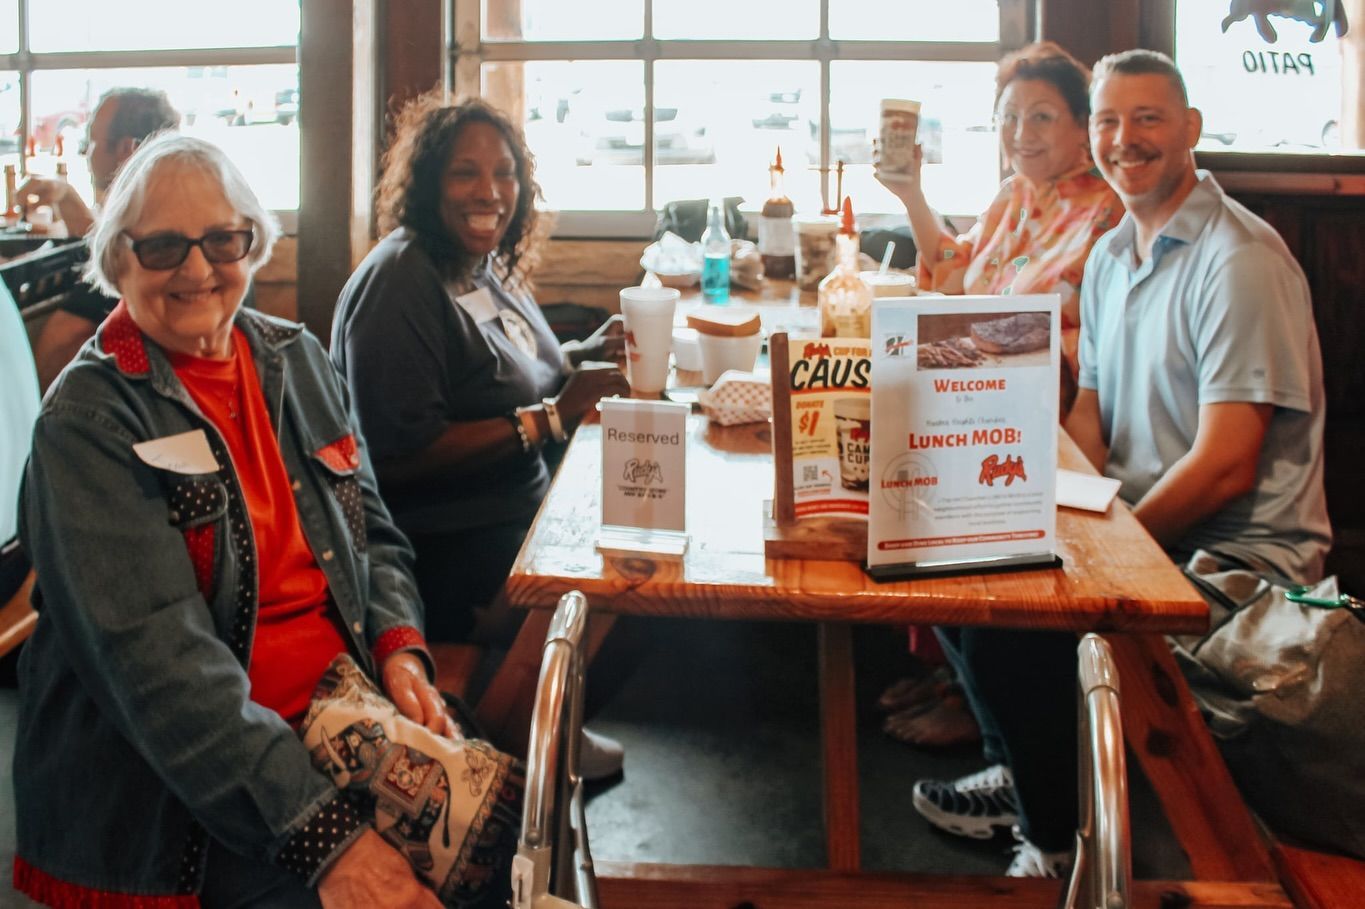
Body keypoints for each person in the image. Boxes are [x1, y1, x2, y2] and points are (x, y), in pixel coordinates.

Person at [12, 134, 475, 907]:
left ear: (252, 243)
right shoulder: (87, 424)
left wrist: (399, 653)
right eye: (162, 247)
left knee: (516, 859)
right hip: (182, 811)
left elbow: (376, 539)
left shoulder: (295, 358)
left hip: (343, 733)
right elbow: (164, 680)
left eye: (222, 239)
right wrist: (335, 846)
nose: (196, 270)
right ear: (116, 261)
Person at [909, 49, 1331, 878]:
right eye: (1108, 119)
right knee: (958, 565)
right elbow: (1090, 417)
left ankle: (1060, 844)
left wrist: (1101, 552)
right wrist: (1038, 513)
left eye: (1146, 118)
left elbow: (1224, 465)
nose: (1122, 138)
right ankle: (1025, 775)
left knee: (1016, 638)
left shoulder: (1237, 259)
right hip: (1140, 529)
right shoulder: (1112, 256)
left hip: (1237, 564)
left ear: (1189, 131)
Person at [874, 41, 1124, 751]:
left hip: (1043, 415)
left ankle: (982, 700)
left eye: (1041, 116)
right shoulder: (1015, 194)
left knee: (913, 457)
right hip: (975, 394)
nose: (1021, 133)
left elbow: (1081, 343)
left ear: (1082, 126)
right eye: (1009, 116)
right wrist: (910, 195)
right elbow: (952, 275)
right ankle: (958, 671)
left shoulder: (1104, 212)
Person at [330, 94, 628, 646]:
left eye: (505, 173)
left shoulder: (480, 264)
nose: (490, 192)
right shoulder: (401, 281)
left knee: (648, 534)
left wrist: (586, 353)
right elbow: (398, 455)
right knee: (639, 595)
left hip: (526, 508)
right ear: (428, 185)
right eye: (464, 174)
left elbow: (509, 372)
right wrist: (551, 419)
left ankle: (545, 727)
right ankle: (510, 726)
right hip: (447, 547)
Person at [20, 87, 182, 389]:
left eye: (91, 142)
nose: (85, 152)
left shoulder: (136, 243)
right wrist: (67, 196)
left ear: (126, 149)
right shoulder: (185, 214)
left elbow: (60, 344)